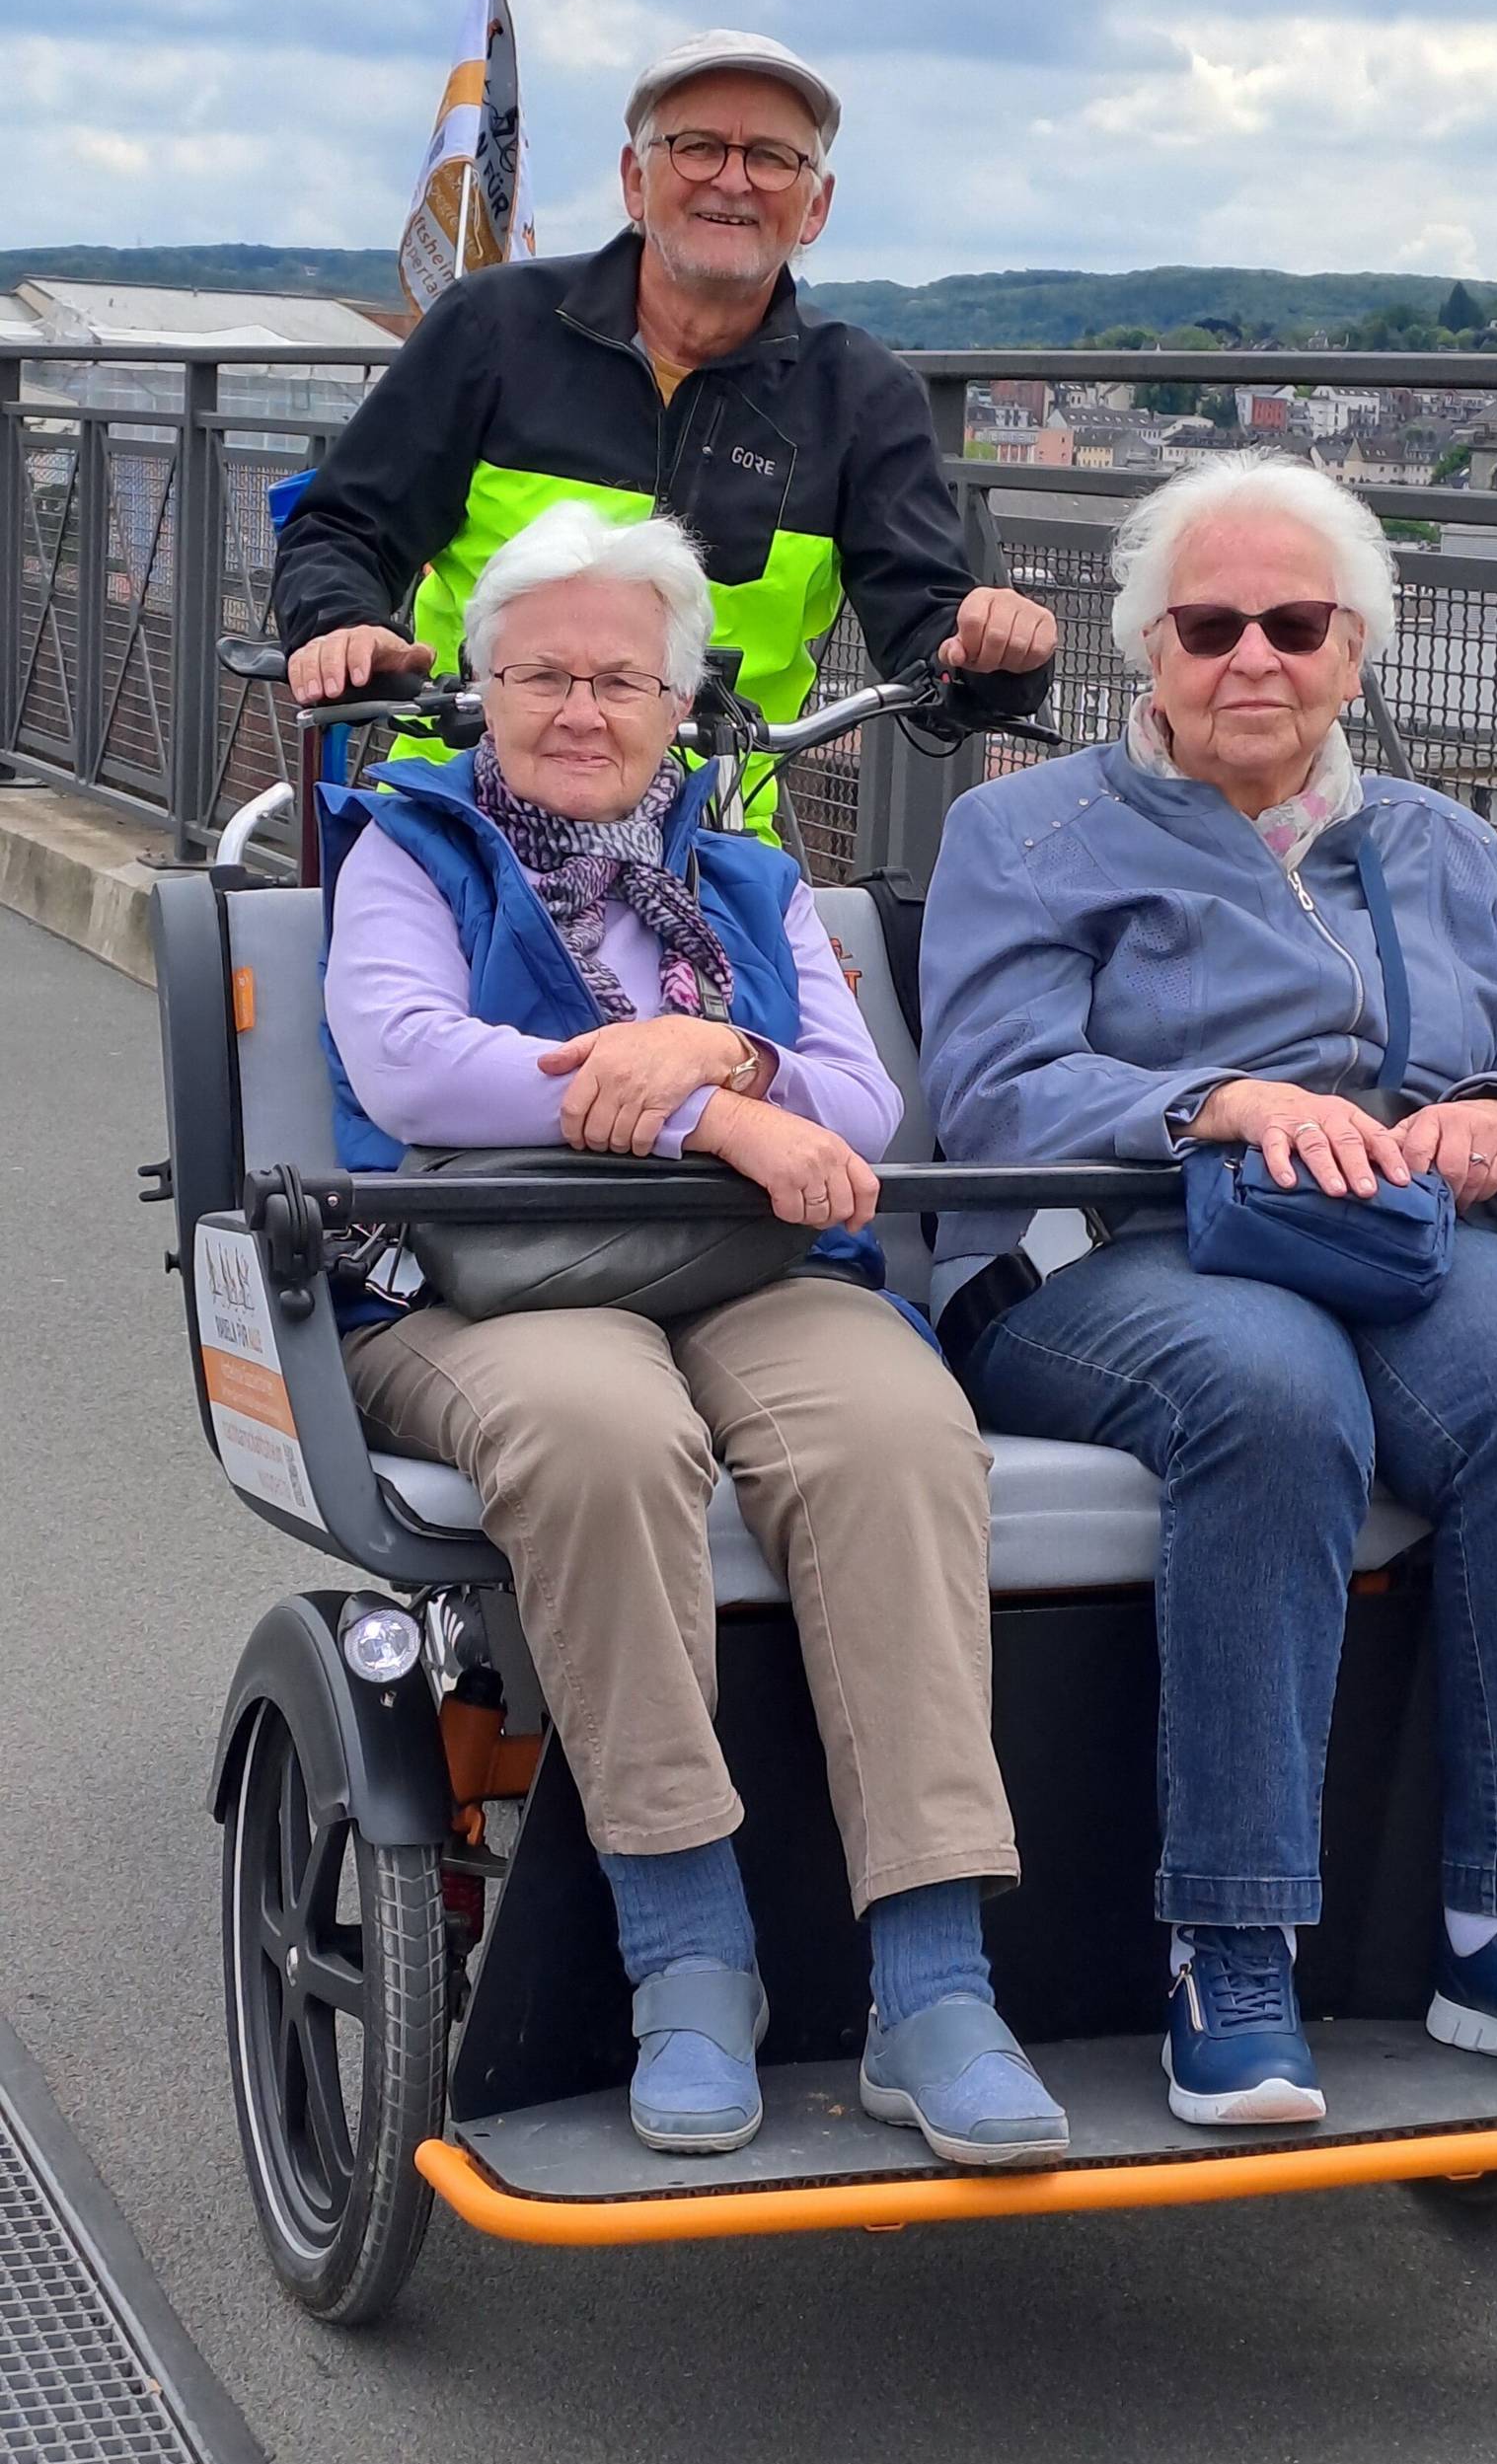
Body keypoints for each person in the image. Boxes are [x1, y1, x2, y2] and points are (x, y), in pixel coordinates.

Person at [919, 452, 1497, 2128]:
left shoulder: (1442, 848)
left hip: (1391, 1241)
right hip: (1109, 1254)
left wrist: (1496, 1120)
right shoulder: (1024, 829)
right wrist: (1213, 1101)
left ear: (1356, 651)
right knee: (1269, 1392)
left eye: (1293, 623)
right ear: (1148, 652)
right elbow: (986, 1092)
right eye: (1208, 624)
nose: (1250, 656)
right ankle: (1231, 1943)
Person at [323, 501, 1068, 2169]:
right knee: (601, 1436)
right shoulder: (414, 845)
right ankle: (687, 1955)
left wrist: (723, 1064)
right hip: (477, 1275)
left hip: (743, 1272)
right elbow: (408, 1064)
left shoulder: (741, 871)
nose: (581, 711)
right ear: (481, 687)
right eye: (541, 677)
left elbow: (861, 1100)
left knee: (893, 1434)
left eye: (622, 681)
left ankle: (937, 1981)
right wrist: (707, 1110)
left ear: (680, 708)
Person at [275, 27, 1054, 834]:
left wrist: (992, 657)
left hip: (711, 834)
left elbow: (930, 636)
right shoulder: (492, 330)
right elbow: (343, 527)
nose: (733, 180)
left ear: (815, 205)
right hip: (462, 817)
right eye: (698, 147)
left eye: (772, 158)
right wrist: (344, 626)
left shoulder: (861, 397)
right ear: (634, 180)